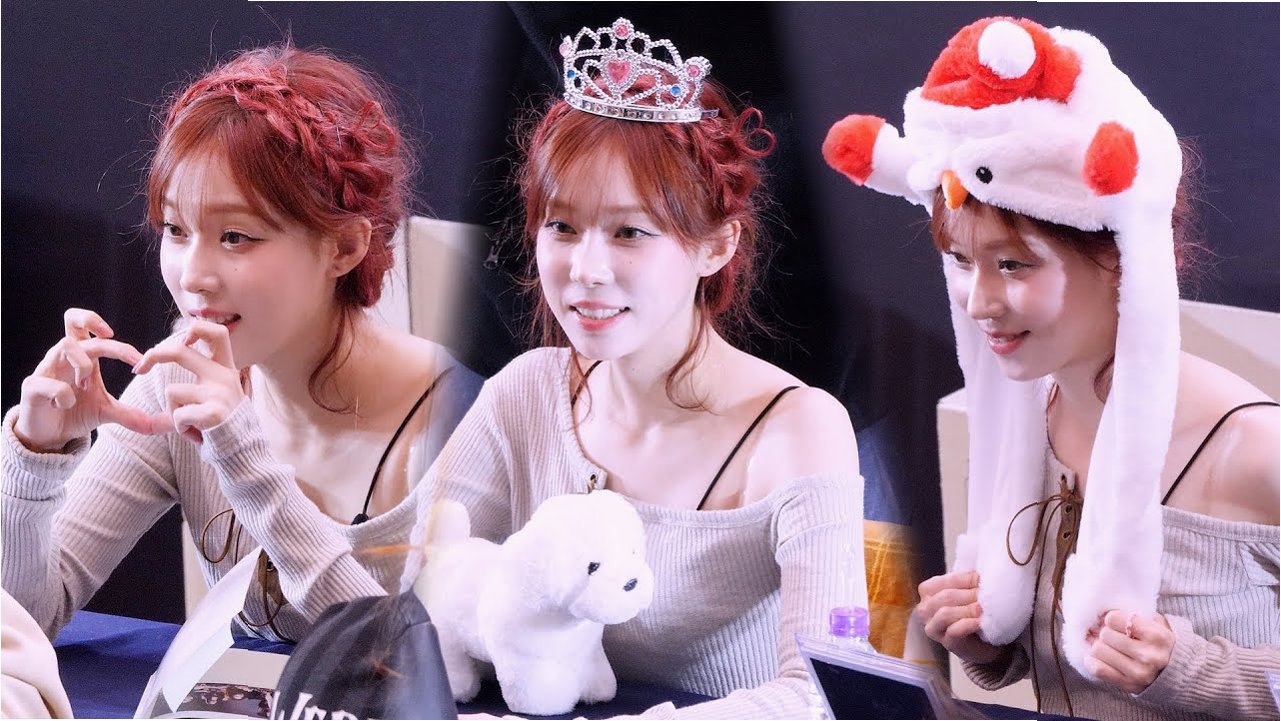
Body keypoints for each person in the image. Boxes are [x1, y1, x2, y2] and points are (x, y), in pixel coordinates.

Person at [404, 17, 866, 719]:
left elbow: (820, 692)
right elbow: (407, 591)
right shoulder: (524, 392)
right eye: (562, 226)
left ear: (715, 246)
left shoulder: (798, 430)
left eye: (629, 232)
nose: (586, 269)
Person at [824, 16, 1279, 720]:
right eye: (960, 261)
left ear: (1121, 257)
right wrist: (985, 644)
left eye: (1013, 264)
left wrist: (1191, 669)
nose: (979, 302)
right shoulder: (1022, 426)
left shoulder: (1251, 448)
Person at [1, 44, 481, 642]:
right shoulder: (180, 379)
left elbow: (397, 659)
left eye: (235, 236)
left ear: (345, 247)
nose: (192, 276)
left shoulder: (463, 424)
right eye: (176, 230)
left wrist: (245, 459)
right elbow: (22, 619)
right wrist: (36, 455)